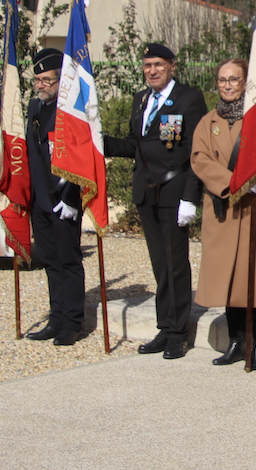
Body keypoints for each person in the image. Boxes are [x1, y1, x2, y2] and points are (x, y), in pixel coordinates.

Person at [103, 43, 207, 361]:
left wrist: (191, 198)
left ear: (172, 66)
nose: (152, 70)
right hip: (146, 192)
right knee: (160, 264)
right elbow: (137, 144)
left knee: (176, 264)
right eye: (147, 65)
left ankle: (179, 333)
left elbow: (196, 151)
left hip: (175, 194)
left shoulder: (189, 98)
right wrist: (101, 141)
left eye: (158, 64)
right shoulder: (141, 99)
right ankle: (165, 326)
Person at [190, 58, 256, 370]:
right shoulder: (207, 122)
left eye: (234, 79)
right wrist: (236, 183)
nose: (228, 85)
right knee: (229, 277)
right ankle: (237, 340)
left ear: (245, 82)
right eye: (223, 80)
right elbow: (200, 159)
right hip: (225, 208)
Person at [22, 47, 87, 346]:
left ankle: (72, 322)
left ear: (61, 80)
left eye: (46, 80)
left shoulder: (70, 111)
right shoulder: (35, 108)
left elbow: (80, 156)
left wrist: (72, 197)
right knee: (49, 260)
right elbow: (33, 154)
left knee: (68, 260)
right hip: (40, 200)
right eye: (37, 80)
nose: (40, 86)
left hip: (64, 199)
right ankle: (56, 317)